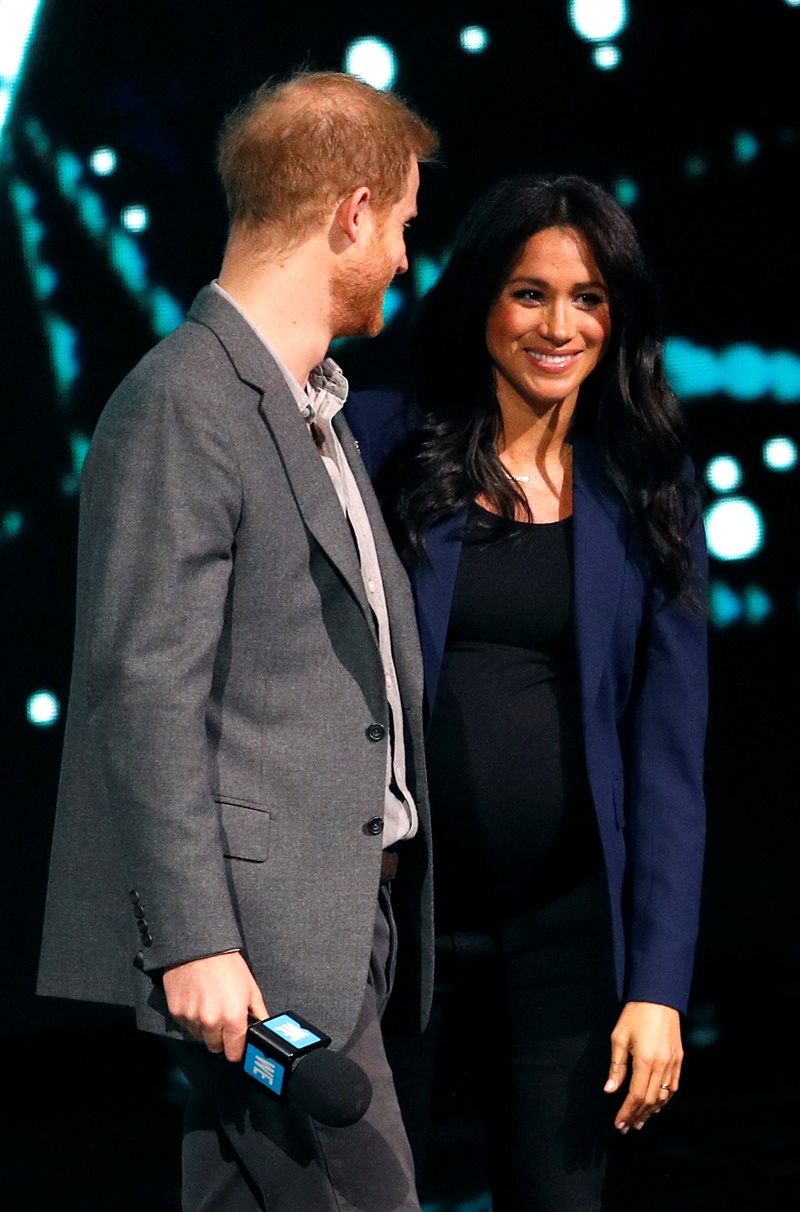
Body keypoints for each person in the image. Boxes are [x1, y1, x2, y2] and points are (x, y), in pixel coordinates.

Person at [37, 71, 439, 1212]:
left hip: (331, 915)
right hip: (257, 947)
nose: (407, 259)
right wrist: (196, 942)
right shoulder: (186, 401)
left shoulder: (308, 404)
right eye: (403, 225)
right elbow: (144, 692)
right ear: (352, 213)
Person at [345, 174, 708, 1211]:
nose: (558, 325)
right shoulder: (379, 442)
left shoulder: (645, 482)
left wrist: (656, 987)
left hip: (562, 930)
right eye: (528, 293)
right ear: (479, 304)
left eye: (586, 298)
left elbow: (667, 760)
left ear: (617, 314)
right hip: (392, 925)